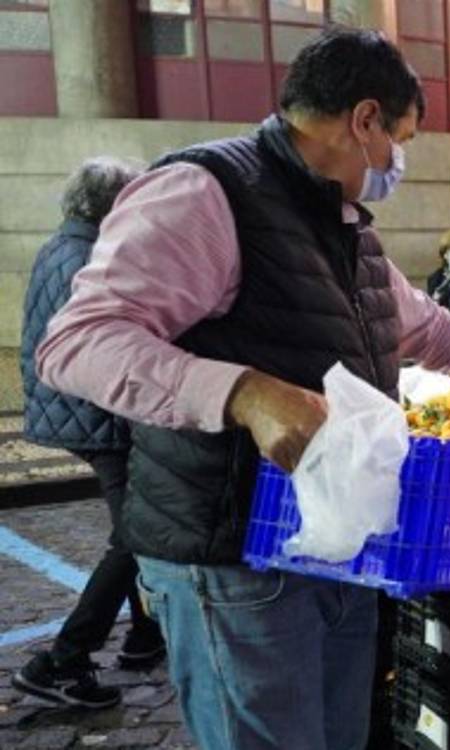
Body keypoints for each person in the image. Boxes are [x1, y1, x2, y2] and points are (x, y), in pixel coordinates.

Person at [33, 29, 450, 750]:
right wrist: (241, 391)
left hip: (334, 545)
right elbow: (76, 343)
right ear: (363, 121)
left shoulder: (341, 225)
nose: (397, 164)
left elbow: (430, 331)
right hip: (235, 556)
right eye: (399, 140)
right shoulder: (206, 195)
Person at [15, 158, 166, 710]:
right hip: (96, 415)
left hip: (75, 411)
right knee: (137, 534)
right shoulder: (89, 259)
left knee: (132, 526)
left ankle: (145, 634)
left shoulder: (63, 247)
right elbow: (105, 348)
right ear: (112, 206)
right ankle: (61, 661)